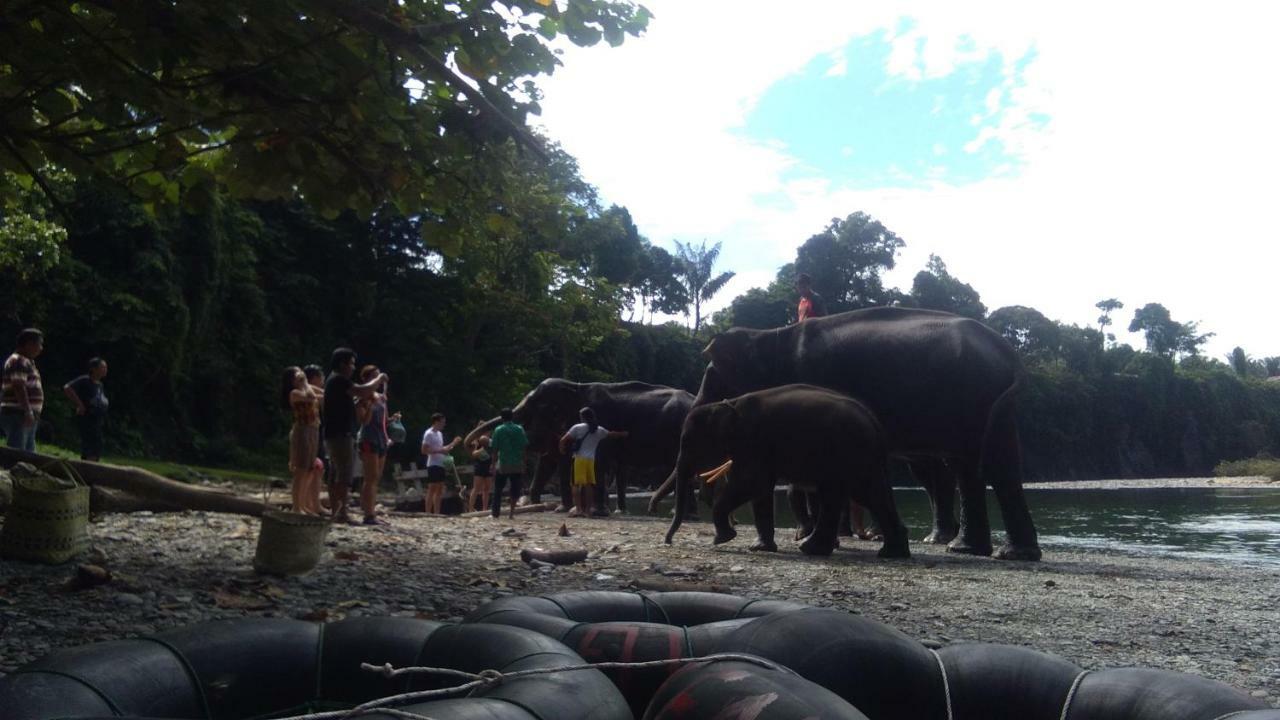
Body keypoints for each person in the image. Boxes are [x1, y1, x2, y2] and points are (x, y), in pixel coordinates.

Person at [323, 348, 387, 525]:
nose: (352, 367)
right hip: (341, 433)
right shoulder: (338, 379)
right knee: (344, 474)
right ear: (342, 363)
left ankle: (337, 511)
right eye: (351, 363)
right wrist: (379, 379)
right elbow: (362, 390)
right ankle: (341, 513)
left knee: (336, 473)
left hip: (337, 432)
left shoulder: (335, 380)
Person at [559, 407, 627, 518]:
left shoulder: (577, 427)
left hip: (579, 459)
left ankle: (579, 509)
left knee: (575, 484)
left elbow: (563, 440)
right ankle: (588, 510)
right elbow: (611, 434)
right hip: (591, 460)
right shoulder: (598, 429)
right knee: (589, 485)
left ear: (583, 417)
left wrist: (561, 450)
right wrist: (623, 434)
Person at [281, 366, 322, 515]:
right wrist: (304, 383)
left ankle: (304, 505)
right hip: (303, 430)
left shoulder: (306, 388)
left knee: (310, 469)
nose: (302, 374)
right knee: (301, 470)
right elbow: (311, 397)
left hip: (313, 430)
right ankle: (296, 507)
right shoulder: (295, 393)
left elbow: (322, 394)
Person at [354, 365, 392, 525]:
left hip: (381, 438)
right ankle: (368, 514)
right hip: (368, 439)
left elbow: (385, 420)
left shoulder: (381, 396)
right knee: (370, 477)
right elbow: (364, 420)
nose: (378, 380)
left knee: (376, 477)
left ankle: (370, 510)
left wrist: (392, 419)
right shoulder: (361, 398)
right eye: (374, 376)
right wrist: (370, 403)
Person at [2, 329, 45, 452]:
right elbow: (18, 386)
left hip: (25, 413)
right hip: (18, 412)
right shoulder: (18, 360)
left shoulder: (28, 362)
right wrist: (27, 411)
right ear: (29, 344)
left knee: (28, 452)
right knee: (18, 451)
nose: (40, 348)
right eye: (39, 344)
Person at [63, 357, 109, 461]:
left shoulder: (100, 385)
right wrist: (79, 404)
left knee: (97, 444)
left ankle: (94, 464)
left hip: (97, 420)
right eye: (103, 367)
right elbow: (67, 388)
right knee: (89, 444)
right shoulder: (85, 380)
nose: (105, 369)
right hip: (88, 418)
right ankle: (88, 466)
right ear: (94, 368)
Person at [489, 408, 528, 520]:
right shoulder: (519, 429)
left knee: (498, 489)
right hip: (516, 463)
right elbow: (524, 447)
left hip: (503, 463)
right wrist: (524, 463)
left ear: (501, 418)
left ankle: (495, 514)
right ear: (512, 417)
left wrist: (492, 464)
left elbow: (495, 449)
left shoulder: (498, 430)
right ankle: (511, 513)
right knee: (515, 488)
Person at [421, 412, 461, 515]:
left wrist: (453, 443)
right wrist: (439, 451)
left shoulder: (439, 434)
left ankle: (437, 512)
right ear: (436, 422)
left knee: (439, 489)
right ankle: (428, 512)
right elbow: (424, 450)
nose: (444, 424)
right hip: (433, 464)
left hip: (441, 463)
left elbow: (444, 449)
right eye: (442, 422)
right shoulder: (428, 433)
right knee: (432, 488)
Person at [470, 435, 494, 513]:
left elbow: (495, 454)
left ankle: (485, 509)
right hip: (479, 467)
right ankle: (471, 508)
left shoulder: (491, 443)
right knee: (476, 488)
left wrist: (493, 466)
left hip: (488, 467)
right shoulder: (476, 442)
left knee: (487, 489)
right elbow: (474, 454)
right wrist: (482, 448)